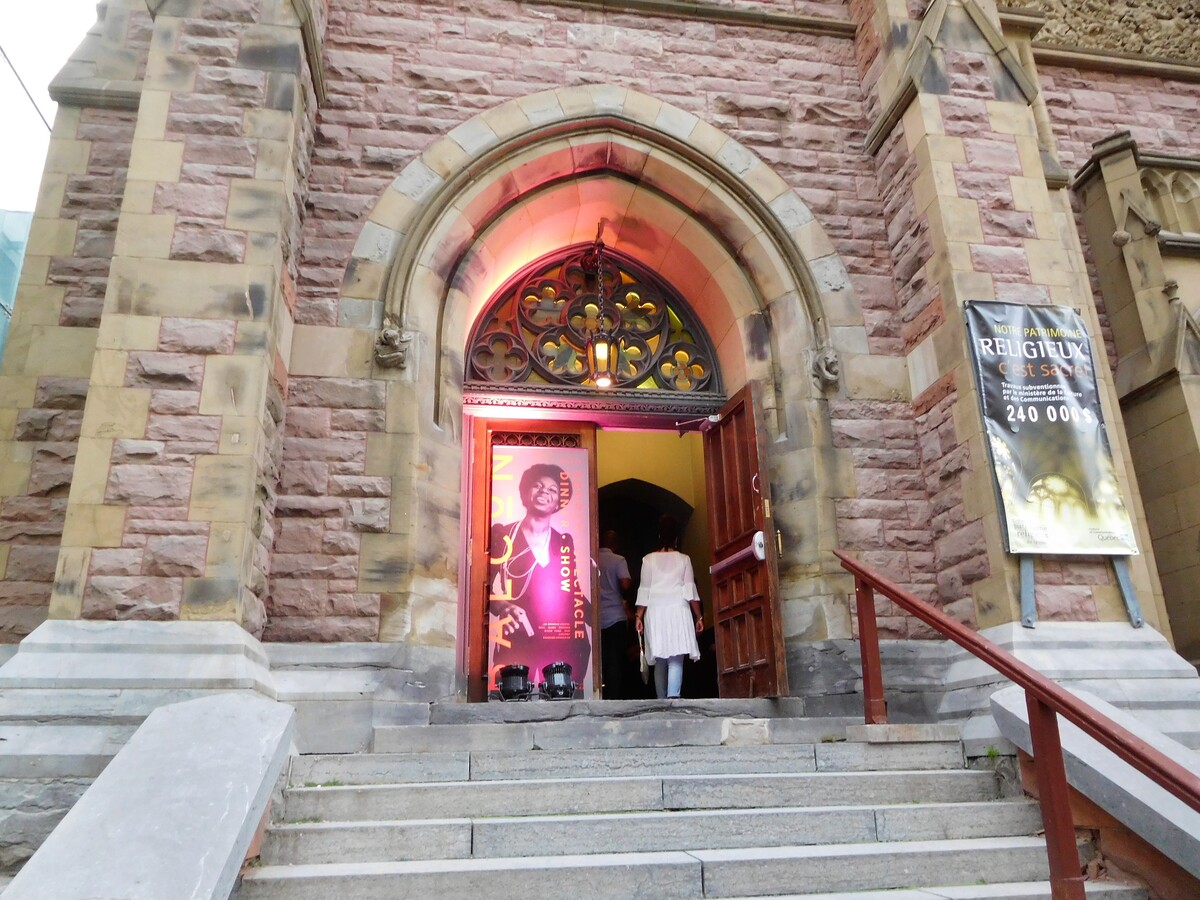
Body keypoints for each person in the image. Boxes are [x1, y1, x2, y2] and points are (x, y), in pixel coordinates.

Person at [488, 463, 591, 693]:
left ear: (558, 503)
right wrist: (504, 605)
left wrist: (598, 617)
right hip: (516, 639)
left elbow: (572, 592)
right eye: (538, 486)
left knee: (560, 702)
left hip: (558, 640)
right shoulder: (504, 535)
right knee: (513, 700)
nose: (545, 492)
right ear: (526, 493)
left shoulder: (564, 541)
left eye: (553, 490)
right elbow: (483, 590)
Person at [635, 514, 702, 700]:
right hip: (678, 610)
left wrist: (639, 616)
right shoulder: (684, 559)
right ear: (676, 538)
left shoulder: (648, 560)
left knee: (660, 660)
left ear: (659, 536)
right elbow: (690, 590)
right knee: (675, 658)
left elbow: (644, 590)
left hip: (655, 612)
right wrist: (699, 617)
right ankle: (674, 698)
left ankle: (661, 701)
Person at [597, 529, 633, 699]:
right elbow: (625, 585)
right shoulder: (618, 560)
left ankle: (598, 695)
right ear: (615, 544)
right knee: (615, 662)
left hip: (596, 619)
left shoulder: (591, 560)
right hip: (615, 617)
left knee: (599, 661)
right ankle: (614, 698)